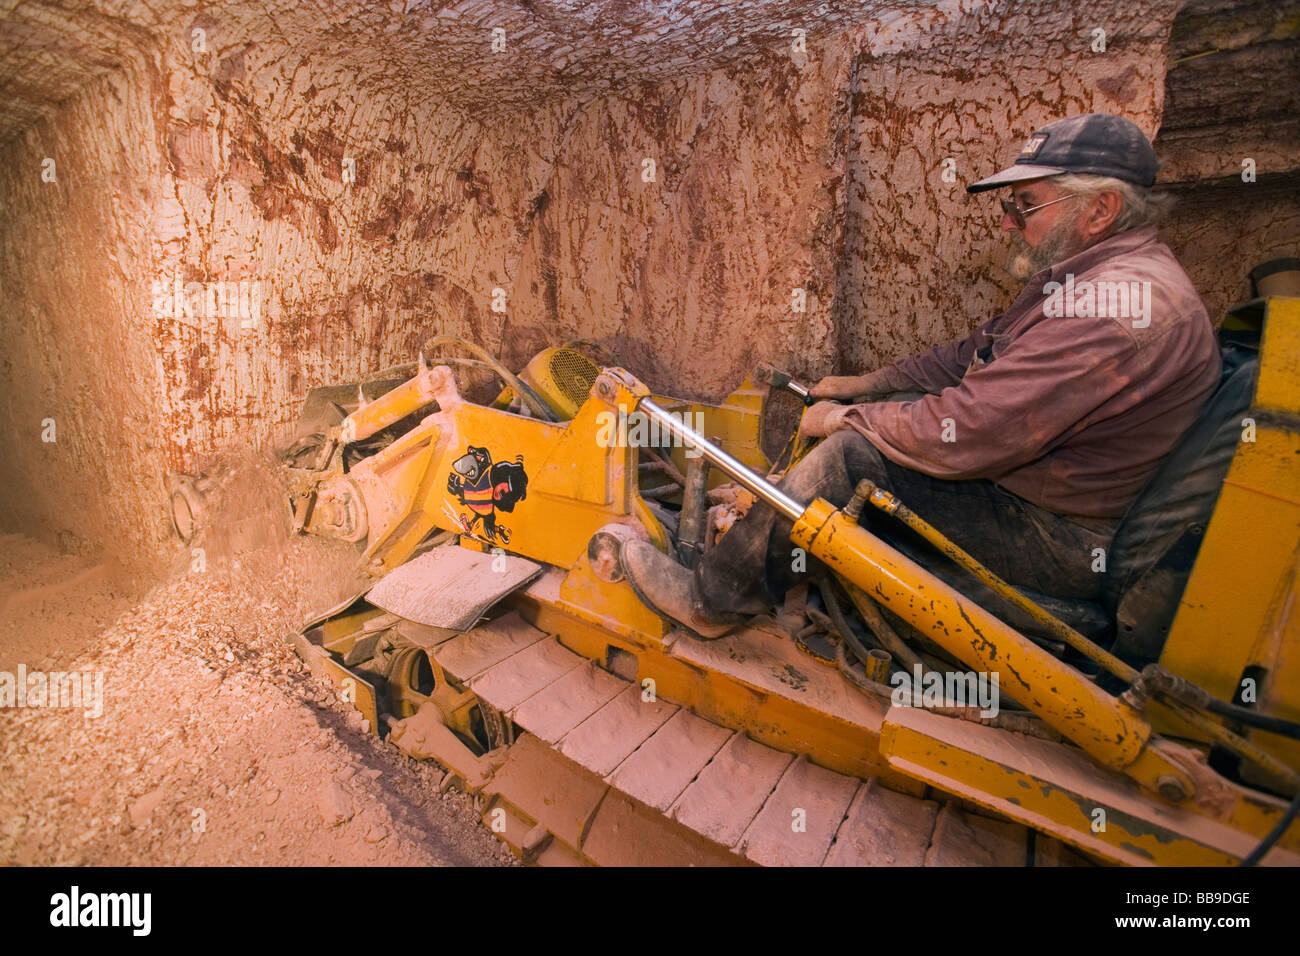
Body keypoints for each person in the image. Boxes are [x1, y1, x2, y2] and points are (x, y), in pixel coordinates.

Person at [620, 112, 1221, 639]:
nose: (1010, 222)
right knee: (896, 411)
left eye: (1025, 204)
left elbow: (968, 426)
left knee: (851, 458)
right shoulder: (1088, 277)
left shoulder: (1113, 310)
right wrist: (864, 384)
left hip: (1062, 536)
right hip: (1052, 493)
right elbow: (972, 355)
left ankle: (710, 602)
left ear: (1100, 209)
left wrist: (842, 419)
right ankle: (775, 540)